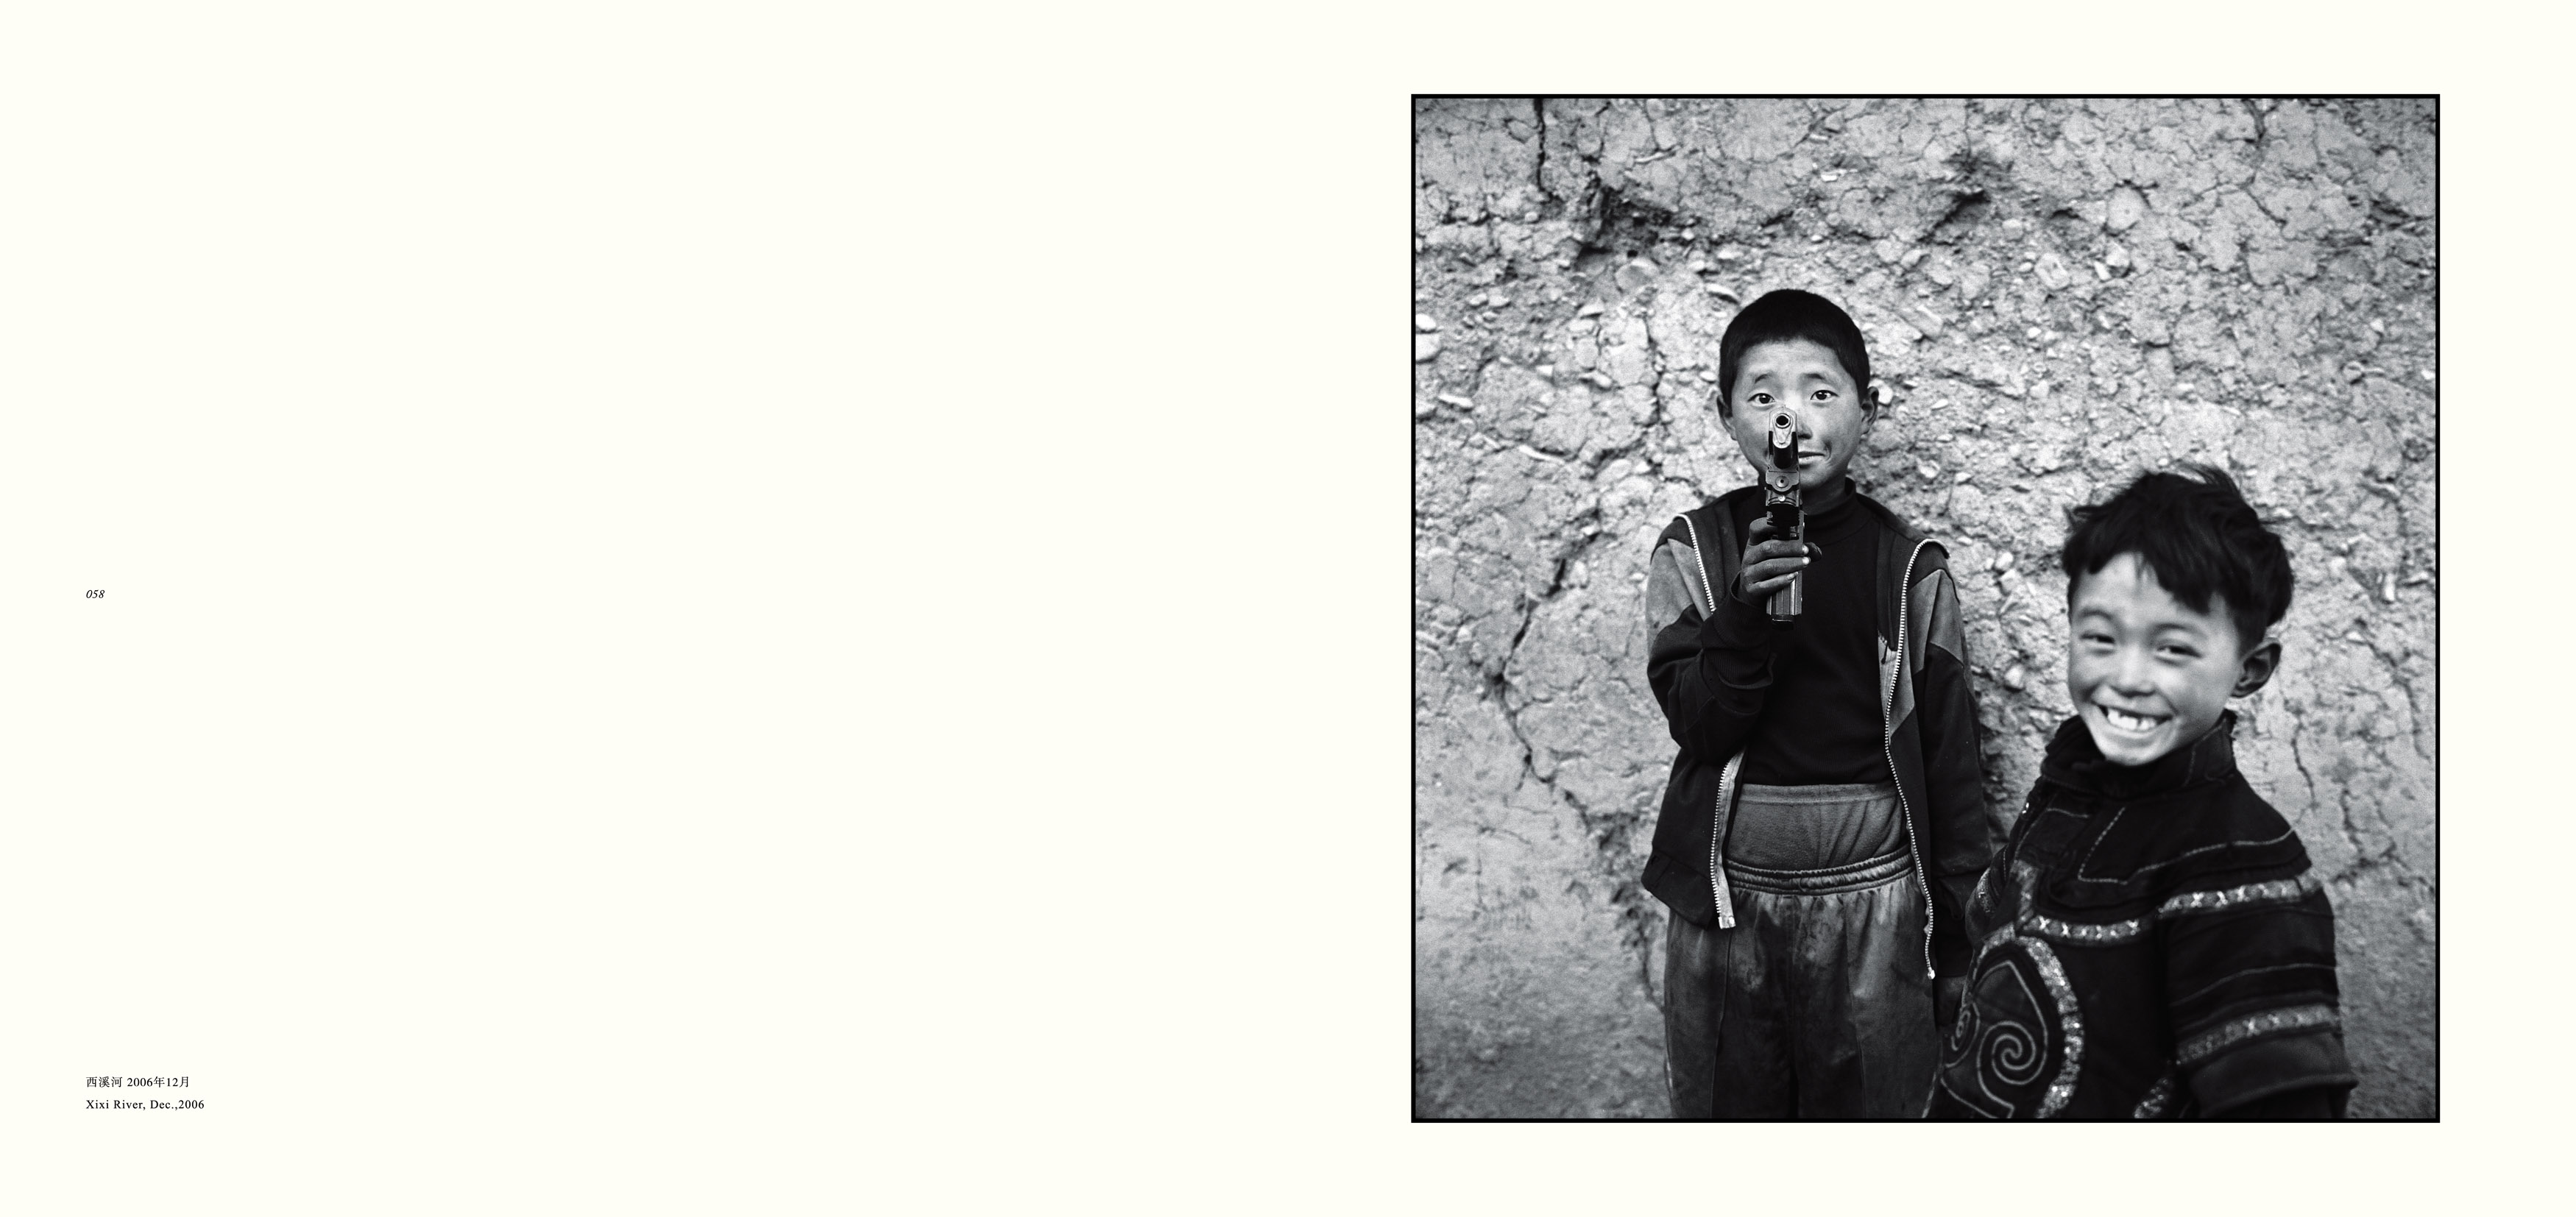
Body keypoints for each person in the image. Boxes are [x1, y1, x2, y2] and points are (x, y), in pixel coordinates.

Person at [1642, 288, 1999, 1118]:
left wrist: (1958, 940)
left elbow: (1951, 763)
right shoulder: (1694, 553)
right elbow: (1700, 726)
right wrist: (1742, 614)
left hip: (1877, 903)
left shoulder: (1910, 570)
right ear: (1723, 414)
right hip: (1726, 902)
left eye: (1819, 392)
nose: (1789, 421)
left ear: (1866, 410)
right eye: (1762, 396)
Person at [1928, 464, 2356, 1119]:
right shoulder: (2067, 785)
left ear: (2250, 670)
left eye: (2173, 649)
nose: (2128, 677)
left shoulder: (2241, 868)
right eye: (2101, 638)